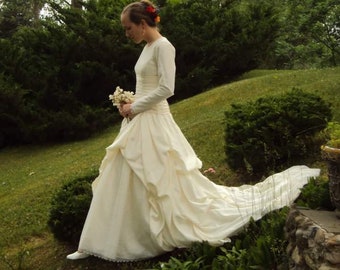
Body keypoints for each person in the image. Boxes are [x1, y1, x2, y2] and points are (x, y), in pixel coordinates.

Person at [66, 0, 320, 262]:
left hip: (153, 120)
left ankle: (141, 237)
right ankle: (95, 242)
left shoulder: (164, 47)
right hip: (138, 119)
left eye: (128, 28)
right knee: (122, 173)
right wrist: (129, 105)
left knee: (158, 179)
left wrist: (135, 106)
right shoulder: (147, 47)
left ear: (143, 24)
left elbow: (167, 88)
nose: (126, 33)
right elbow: (147, 84)